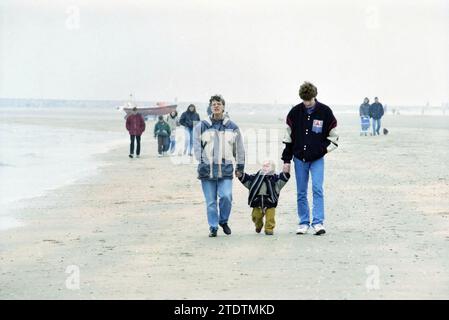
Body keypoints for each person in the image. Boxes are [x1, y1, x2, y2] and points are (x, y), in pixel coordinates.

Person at [281, 82, 339, 235]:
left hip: (317, 159)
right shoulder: (294, 113)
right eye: (304, 101)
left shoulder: (325, 112)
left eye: (309, 100)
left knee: (317, 189)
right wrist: (286, 161)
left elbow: (334, 138)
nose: (307, 104)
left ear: (315, 96)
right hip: (299, 158)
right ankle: (303, 222)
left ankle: (318, 223)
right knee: (301, 192)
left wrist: (322, 150)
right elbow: (288, 139)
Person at [193, 95, 245, 237]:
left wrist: (240, 167)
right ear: (210, 107)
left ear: (223, 106)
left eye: (219, 104)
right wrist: (203, 160)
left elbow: (239, 148)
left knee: (226, 196)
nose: (216, 106)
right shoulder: (201, 126)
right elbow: (196, 147)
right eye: (214, 104)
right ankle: (213, 227)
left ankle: (223, 221)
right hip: (207, 170)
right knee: (210, 202)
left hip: (226, 168)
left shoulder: (232, 127)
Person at [236, 160, 290, 235]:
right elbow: (247, 180)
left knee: (270, 218)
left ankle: (269, 228)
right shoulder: (255, 178)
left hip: (270, 201)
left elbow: (282, 180)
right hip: (257, 201)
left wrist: (286, 173)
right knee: (255, 217)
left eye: (267, 166)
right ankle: (258, 225)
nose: (265, 167)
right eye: (263, 166)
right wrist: (240, 175)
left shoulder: (275, 179)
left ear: (273, 169)